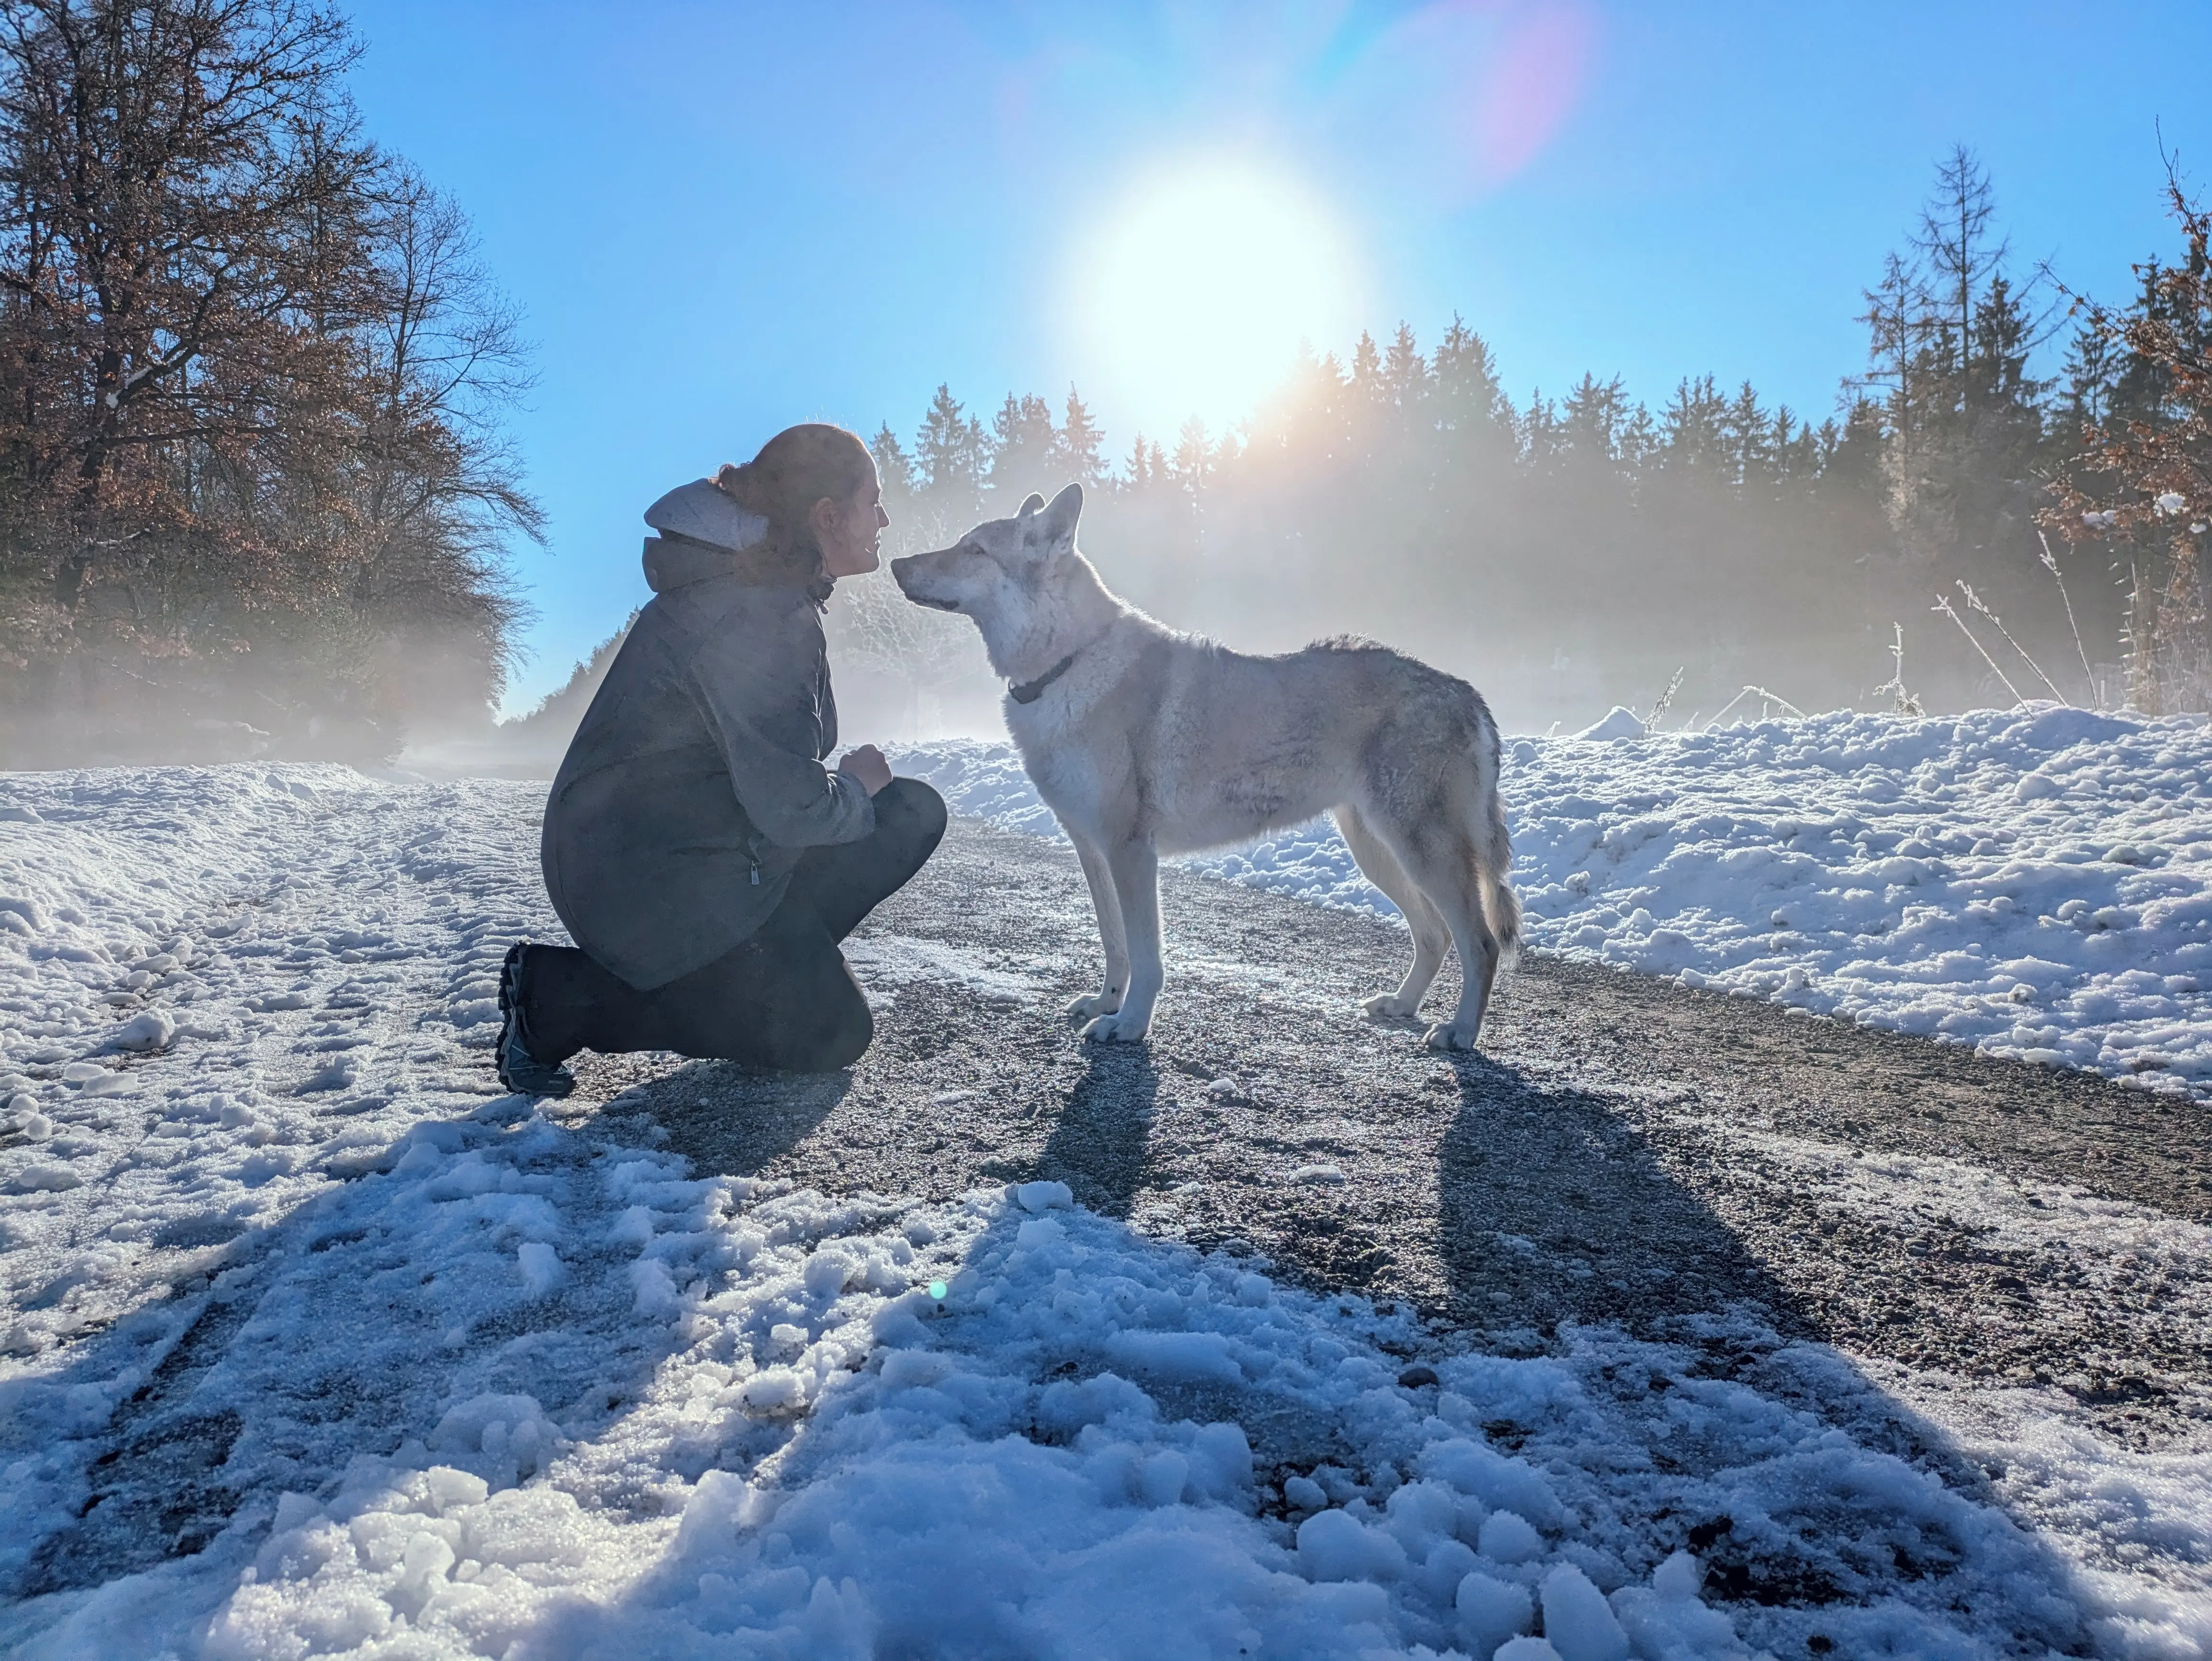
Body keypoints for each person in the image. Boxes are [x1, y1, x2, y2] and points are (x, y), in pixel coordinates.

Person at [495, 423, 946, 1095]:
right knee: (832, 1032)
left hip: (696, 856)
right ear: (826, 517)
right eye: (872, 500)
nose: (883, 518)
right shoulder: (755, 616)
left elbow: (775, 769)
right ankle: (556, 1000)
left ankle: (767, 974)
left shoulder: (767, 596)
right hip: (644, 886)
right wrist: (851, 789)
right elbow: (791, 805)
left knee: (907, 811)